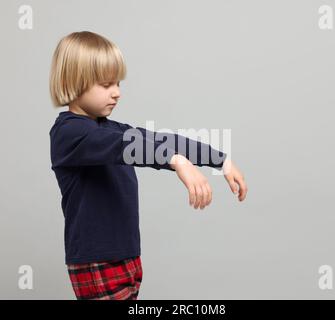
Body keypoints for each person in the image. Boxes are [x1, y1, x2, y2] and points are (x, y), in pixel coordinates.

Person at [49, 31, 248, 300]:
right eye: (106, 84)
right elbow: (130, 147)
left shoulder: (112, 129)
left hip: (127, 255)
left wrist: (220, 159)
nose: (117, 93)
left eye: (118, 83)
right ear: (74, 83)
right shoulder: (70, 133)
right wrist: (176, 161)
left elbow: (159, 140)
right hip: (98, 261)